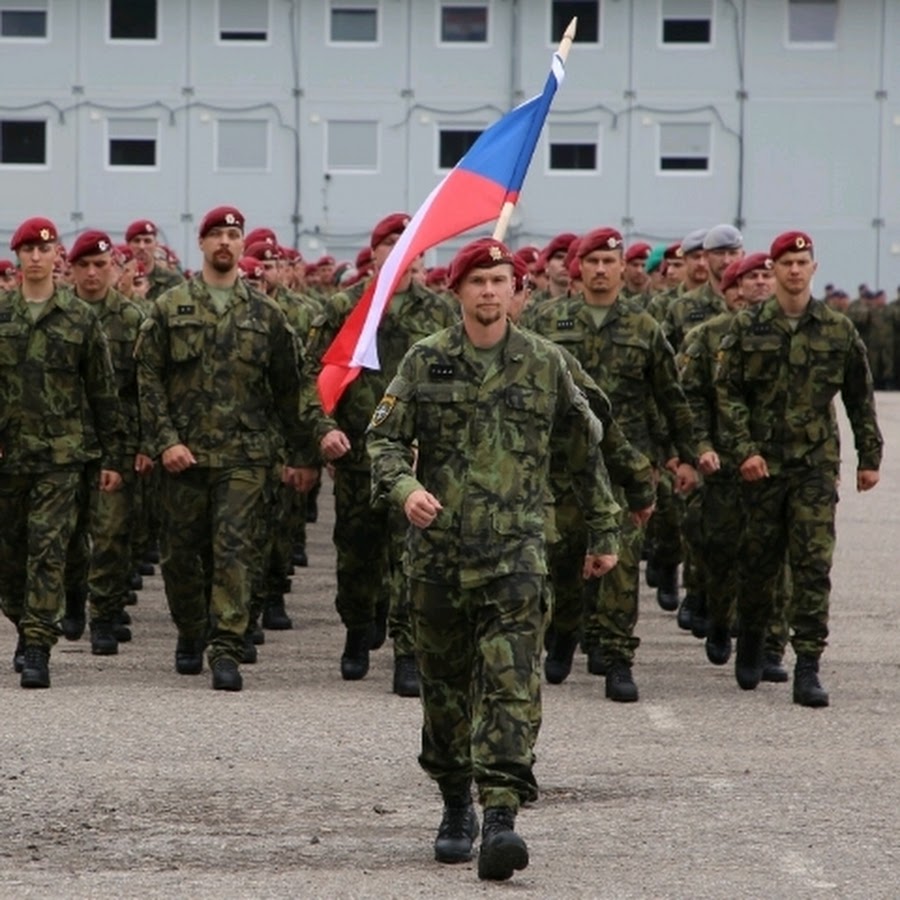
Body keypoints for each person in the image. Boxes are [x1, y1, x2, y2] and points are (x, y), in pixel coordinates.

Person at [367, 238, 620, 881]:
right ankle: (456, 802)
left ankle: (502, 814)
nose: (488, 290)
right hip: (439, 560)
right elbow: (383, 442)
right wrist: (406, 491)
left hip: (516, 555)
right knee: (446, 692)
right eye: (476, 280)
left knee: (512, 685)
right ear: (457, 292)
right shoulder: (425, 362)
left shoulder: (547, 364)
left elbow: (583, 448)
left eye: (499, 279)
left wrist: (603, 529)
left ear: (516, 290)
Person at [135, 205, 316, 692]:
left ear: (241, 246)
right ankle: (191, 631)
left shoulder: (267, 314)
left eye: (233, 234)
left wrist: (304, 455)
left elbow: (291, 390)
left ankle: (226, 647)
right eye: (216, 233)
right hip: (184, 458)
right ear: (201, 243)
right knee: (179, 556)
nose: (225, 241)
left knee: (235, 552)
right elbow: (147, 380)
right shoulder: (170, 307)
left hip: (245, 457)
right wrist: (165, 441)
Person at [529, 227, 698, 701]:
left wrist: (684, 455)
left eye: (610, 261)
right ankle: (563, 633)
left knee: (620, 567)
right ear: (578, 267)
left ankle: (619, 659)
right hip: (561, 466)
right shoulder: (548, 321)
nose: (602, 269)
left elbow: (671, 398)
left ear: (624, 268)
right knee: (562, 561)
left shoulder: (645, 328)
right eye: (593, 261)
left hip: (625, 465)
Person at [715, 231, 883, 707]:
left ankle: (807, 664)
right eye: (784, 262)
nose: (793, 270)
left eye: (801, 262)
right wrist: (743, 449)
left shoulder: (836, 329)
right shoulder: (747, 327)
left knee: (812, 565)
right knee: (759, 562)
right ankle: (752, 637)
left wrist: (869, 457)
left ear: (814, 268)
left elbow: (859, 396)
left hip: (813, 464)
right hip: (761, 466)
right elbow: (727, 392)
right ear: (773, 268)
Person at [305, 212, 458, 695]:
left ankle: (407, 653)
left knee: (410, 557)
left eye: (409, 243)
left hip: (416, 460)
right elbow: (310, 376)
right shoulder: (344, 308)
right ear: (373, 254)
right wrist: (323, 429)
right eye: (390, 243)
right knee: (357, 555)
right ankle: (356, 631)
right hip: (357, 456)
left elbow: (457, 382)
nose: (399, 252)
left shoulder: (439, 314)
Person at [0, 217, 125, 688]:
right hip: (8, 457)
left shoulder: (80, 319)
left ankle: (38, 645)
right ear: (18, 257)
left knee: (47, 550)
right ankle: (23, 622)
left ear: (58, 259)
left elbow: (103, 394)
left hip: (62, 457)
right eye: (27, 249)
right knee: (10, 560)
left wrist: (112, 457)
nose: (35, 257)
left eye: (44, 250)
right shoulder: (1, 316)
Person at [63, 230, 151, 655]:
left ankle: (104, 616)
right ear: (72, 270)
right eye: (84, 265)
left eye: (100, 265)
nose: (93, 273)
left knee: (113, 534)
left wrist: (141, 444)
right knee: (67, 534)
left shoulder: (132, 320)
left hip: (113, 443)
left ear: (114, 268)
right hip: (60, 444)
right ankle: (74, 598)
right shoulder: (60, 315)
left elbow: (143, 389)